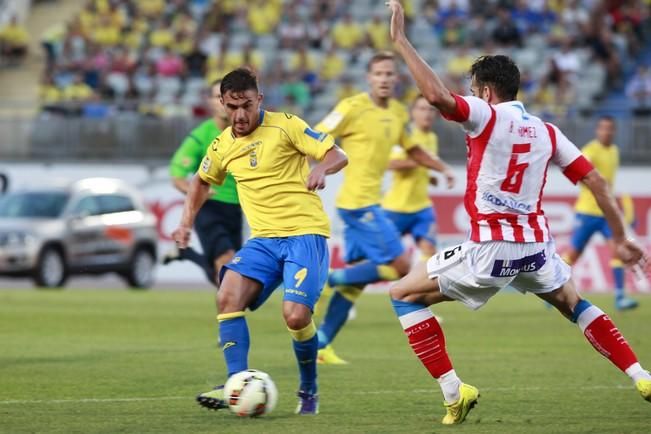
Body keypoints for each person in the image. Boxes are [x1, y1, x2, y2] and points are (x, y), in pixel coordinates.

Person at [386, 0, 650, 425]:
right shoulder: (548, 131)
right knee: (573, 302)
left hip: (490, 249)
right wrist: (621, 237)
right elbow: (597, 182)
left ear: (487, 92)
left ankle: (455, 392)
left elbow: (435, 96)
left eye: (473, 89)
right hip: (536, 249)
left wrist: (400, 40)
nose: (472, 96)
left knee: (402, 295)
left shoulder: (485, 117)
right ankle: (642, 375)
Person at [172, 68, 347, 415]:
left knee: (295, 317)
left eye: (247, 106)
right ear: (222, 103)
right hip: (264, 241)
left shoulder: (287, 125)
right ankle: (236, 383)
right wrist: (185, 223)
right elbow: (201, 181)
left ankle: (309, 387)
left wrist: (321, 169)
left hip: (304, 235)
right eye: (232, 106)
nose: (239, 115)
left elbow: (336, 153)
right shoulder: (221, 144)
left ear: (259, 100)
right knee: (227, 296)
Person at [313, 51, 455, 365]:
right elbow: (316, 136)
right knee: (402, 267)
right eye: (378, 74)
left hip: (368, 205)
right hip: (357, 204)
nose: (384, 79)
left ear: (396, 79)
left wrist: (440, 168)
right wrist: (316, 168)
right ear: (369, 78)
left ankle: (320, 346)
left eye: (390, 74)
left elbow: (413, 149)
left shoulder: (398, 114)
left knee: (357, 283)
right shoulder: (351, 107)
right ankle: (328, 278)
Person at [164, 79, 242, 286]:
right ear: (210, 102)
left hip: (237, 209)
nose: (225, 102)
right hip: (208, 208)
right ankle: (230, 316)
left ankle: (186, 254)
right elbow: (177, 175)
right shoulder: (200, 137)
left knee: (228, 276)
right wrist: (196, 191)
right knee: (227, 265)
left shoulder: (248, 134)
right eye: (219, 97)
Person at [564, 116, 638, 310]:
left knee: (617, 251)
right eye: (603, 128)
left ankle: (620, 297)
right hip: (587, 212)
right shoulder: (590, 150)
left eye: (610, 128)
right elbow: (581, 173)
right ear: (598, 130)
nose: (607, 132)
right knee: (573, 255)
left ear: (614, 131)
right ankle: (556, 289)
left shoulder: (614, 151)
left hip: (606, 214)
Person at [383, 95, 446, 259]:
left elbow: (422, 166)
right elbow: (391, 164)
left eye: (431, 109)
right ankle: (341, 280)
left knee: (429, 251)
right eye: (422, 109)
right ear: (413, 113)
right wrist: (420, 162)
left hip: (422, 208)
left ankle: (422, 285)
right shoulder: (405, 137)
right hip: (396, 208)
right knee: (385, 259)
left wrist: (429, 177)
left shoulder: (433, 138)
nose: (428, 113)